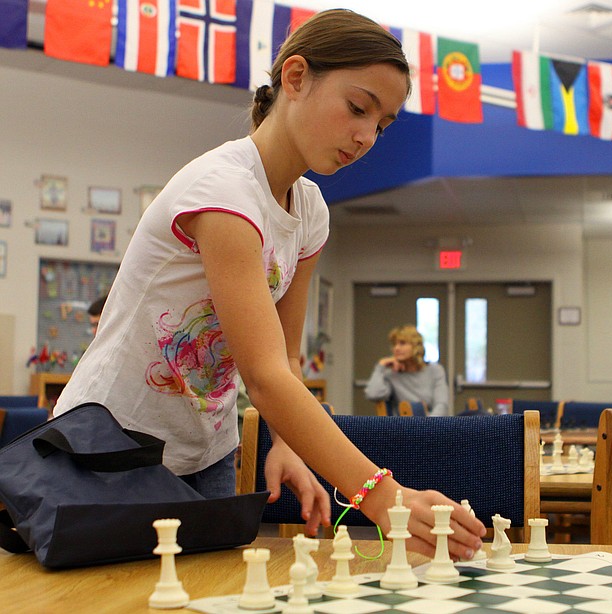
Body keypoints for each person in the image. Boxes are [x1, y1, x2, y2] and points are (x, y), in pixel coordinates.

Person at [53, 9, 483, 560]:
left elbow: (285, 357)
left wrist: (287, 442)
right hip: (110, 443)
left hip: (204, 451)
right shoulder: (226, 190)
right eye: (358, 108)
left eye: (382, 124)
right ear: (296, 77)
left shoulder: (310, 211)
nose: (366, 136)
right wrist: (384, 497)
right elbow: (262, 376)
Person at [365, 325, 449, 416]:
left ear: (416, 347)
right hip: (405, 425)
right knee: (415, 408)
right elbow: (373, 394)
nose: (396, 348)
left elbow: (441, 405)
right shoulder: (391, 374)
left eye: (402, 343)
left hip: (433, 424)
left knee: (466, 417)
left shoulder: (435, 370)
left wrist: (429, 426)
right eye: (394, 344)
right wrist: (380, 366)